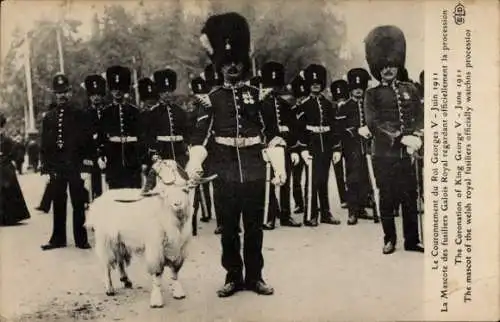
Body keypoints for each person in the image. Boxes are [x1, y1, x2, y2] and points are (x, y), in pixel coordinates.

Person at [187, 12, 287, 297]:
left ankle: (255, 277)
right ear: (220, 66)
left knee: (255, 228)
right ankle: (233, 276)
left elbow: (273, 133)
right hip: (224, 170)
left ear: (244, 64)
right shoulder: (212, 98)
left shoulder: (259, 95)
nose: (232, 67)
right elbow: (200, 135)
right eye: (226, 63)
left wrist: (279, 165)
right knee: (229, 229)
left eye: (236, 62)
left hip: (255, 168)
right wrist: (195, 161)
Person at [364, 25, 424, 254]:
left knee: (410, 196)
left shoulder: (411, 89)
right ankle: (389, 238)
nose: (388, 70)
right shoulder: (372, 94)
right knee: (387, 197)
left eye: (391, 65)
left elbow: (421, 116)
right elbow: (374, 123)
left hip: (408, 154)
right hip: (384, 154)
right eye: (383, 66)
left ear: (398, 65)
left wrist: (417, 137)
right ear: (377, 69)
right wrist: (401, 138)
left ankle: (412, 240)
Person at [40, 73, 92, 250]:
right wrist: (46, 168)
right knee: (58, 202)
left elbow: (87, 142)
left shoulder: (80, 114)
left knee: (78, 203)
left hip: (75, 165)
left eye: (64, 92)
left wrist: (86, 166)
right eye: (58, 92)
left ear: (70, 92)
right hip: (57, 167)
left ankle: (81, 239)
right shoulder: (49, 117)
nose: (61, 95)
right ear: (55, 94)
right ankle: (58, 238)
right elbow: (45, 144)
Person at [295, 64, 342, 227]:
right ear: (308, 84)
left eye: (318, 82)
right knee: (312, 181)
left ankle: (325, 213)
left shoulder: (328, 104)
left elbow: (334, 127)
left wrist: (336, 148)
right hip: (312, 145)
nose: (316, 85)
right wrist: (303, 148)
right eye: (313, 83)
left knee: (323, 180)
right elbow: (300, 129)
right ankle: (310, 214)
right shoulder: (303, 105)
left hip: (326, 145)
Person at [259, 61, 302, 229]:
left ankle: (286, 215)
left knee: (286, 182)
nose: (274, 89)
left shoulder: (285, 105)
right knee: (268, 182)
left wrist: (290, 144)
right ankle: (269, 216)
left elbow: (293, 127)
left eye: (276, 86)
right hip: (266, 147)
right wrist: (268, 140)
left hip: (283, 146)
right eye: (271, 85)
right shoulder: (259, 104)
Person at [141, 69, 189, 194]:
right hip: (162, 155)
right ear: (159, 93)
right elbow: (149, 136)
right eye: (163, 92)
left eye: (169, 91)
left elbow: (186, 133)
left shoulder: (180, 112)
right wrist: (153, 154)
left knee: (182, 186)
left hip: (179, 155)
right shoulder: (153, 113)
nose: (167, 94)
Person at [336, 68, 373, 225]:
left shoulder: (368, 104)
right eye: (355, 88)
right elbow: (339, 128)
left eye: (361, 88)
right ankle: (352, 211)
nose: (358, 91)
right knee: (353, 178)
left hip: (369, 145)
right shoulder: (345, 106)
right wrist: (355, 130)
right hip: (352, 147)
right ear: (351, 89)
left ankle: (362, 208)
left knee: (366, 177)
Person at [99, 65, 143, 189]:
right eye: (114, 89)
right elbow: (102, 137)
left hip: (133, 159)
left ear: (125, 90)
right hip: (114, 159)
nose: (117, 92)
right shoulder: (105, 112)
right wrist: (102, 155)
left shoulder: (134, 111)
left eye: (120, 89)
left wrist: (141, 157)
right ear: (110, 91)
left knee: (134, 192)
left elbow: (141, 136)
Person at [0, 113, 30, 226]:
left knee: (7, 191)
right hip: (4, 167)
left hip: (5, 168)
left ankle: (8, 217)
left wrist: (6, 156)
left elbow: (16, 151)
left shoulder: (7, 139)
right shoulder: (7, 139)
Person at [83, 74, 108, 200]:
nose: (96, 98)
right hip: (92, 153)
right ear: (89, 97)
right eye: (93, 95)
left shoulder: (108, 112)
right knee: (94, 181)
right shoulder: (85, 114)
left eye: (98, 95)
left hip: (107, 151)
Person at [288, 75, 310, 214]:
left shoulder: (310, 110)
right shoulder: (291, 111)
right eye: (299, 97)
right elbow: (290, 132)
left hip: (308, 147)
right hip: (296, 147)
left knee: (310, 178)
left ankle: (309, 202)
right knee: (296, 179)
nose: (301, 100)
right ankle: (299, 203)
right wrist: (293, 150)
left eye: (304, 97)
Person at [329, 79, 350, 209]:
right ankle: (343, 198)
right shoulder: (331, 108)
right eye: (338, 98)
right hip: (335, 144)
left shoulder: (349, 107)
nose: (340, 100)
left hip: (348, 142)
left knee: (351, 170)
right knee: (338, 172)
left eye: (342, 97)